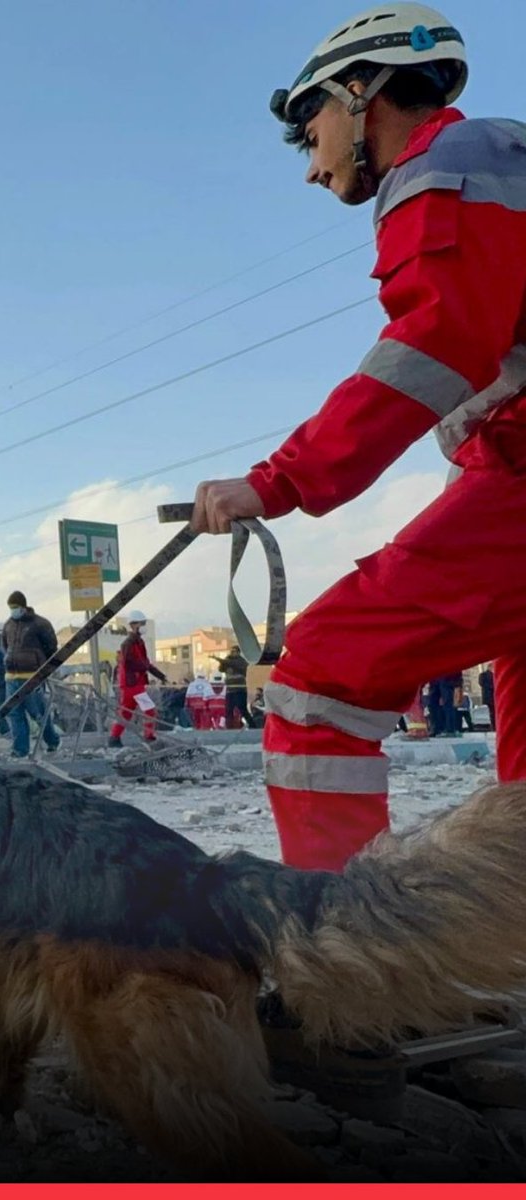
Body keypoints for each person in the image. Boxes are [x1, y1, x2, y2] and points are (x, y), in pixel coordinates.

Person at [191, 5, 526, 870]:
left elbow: (434, 343)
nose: (312, 166)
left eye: (311, 132)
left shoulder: (445, 163)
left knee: (322, 675)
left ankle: (347, 955)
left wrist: (274, 481)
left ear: (359, 91)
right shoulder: (499, 162)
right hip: (508, 471)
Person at [2, 590, 60, 758]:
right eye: (11, 607)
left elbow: (51, 648)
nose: (13, 610)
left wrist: (44, 668)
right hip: (12, 677)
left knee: (38, 713)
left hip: (32, 677)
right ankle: (20, 749)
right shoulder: (8, 625)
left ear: (23, 606)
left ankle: (53, 741)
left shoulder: (40, 624)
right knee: (15, 713)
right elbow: (6, 647)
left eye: (15, 607)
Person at [108, 611, 167, 747]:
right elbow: (130, 663)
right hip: (133, 685)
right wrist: (144, 666)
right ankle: (149, 736)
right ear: (134, 625)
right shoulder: (129, 643)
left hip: (132, 684)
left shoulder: (138, 642)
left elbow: (145, 663)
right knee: (149, 709)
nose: (144, 626)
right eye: (142, 623)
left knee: (126, 714)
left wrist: (161, 676)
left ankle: (114, 738)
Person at [212, 645, 253, 730]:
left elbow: (233, 664)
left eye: (234, 651)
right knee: (228, 710)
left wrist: (220, 659)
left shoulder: (241, 661)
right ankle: (229, 728)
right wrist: (223, 661)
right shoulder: (228, 661)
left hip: (240, 689)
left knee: (242, 710)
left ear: (238, 652)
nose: (232, 653)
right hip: (230, 690)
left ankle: (253, 726)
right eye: (231, 651)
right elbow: (221, 669)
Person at [479, 663, 496, 731]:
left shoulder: (494, 674)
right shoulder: (483, 675)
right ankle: (493, 726)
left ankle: (494, 726)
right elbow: (482, 683)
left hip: (493, 696)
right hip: (489, 696)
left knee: (493, 712)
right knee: (492, 712)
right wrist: (493, 687)